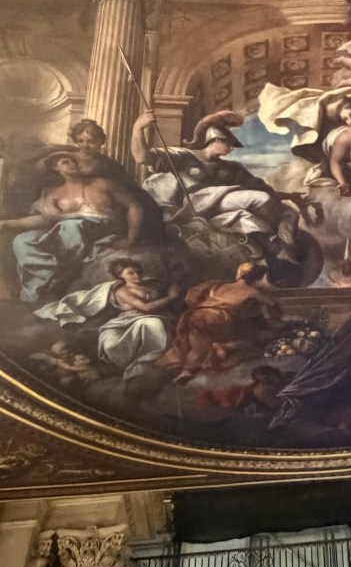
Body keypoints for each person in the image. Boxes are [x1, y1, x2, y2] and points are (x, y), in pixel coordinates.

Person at [131, 109, 313, 284]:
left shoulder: (232, 168)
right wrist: (138, 128)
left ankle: (274, 256)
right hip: (196, 205)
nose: (231, 148)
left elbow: (265, 190)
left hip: (221, 208)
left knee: (258, 219)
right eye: (228, 143)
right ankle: (276, 240)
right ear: (215, 139)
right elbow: (142, 157)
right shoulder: (183, 156)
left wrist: (289, 195)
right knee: (261, 200)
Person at [1, 151, 147, 303]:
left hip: (102, 228)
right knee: (22, 240)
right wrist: (7, 223)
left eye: (74, 161)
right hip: (67, 231)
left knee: (73, 226)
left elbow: (134, 206)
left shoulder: (102, 184)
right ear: (56, 168)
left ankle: (61, 276)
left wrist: (131, 238)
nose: (73, 164)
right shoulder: (54, 193)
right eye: (66, 162)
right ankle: (42, 283)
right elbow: (45, 220)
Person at [35, 257, 180, 381]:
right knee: (113, 344)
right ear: (120, 275)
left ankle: (151, 361)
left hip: (150, 318)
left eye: (138, 272)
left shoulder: (149, 284)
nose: (136, 275)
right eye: (130, 273)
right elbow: (146, 308)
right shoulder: (122, 291)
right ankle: (129, 367)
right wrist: (170, 297)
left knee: (153, 324)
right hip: (124, 323)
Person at [158, 261, 283, 384]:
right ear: (256, 278)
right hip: (220, 319)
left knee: (197, 346)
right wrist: (271, 312)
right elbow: (272, 302)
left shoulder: (219, 285)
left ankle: (187, 371)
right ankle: (221, 348)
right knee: (244, 344)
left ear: (240, 274)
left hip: (199, 315)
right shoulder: (252, 291)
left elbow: (190, 298)